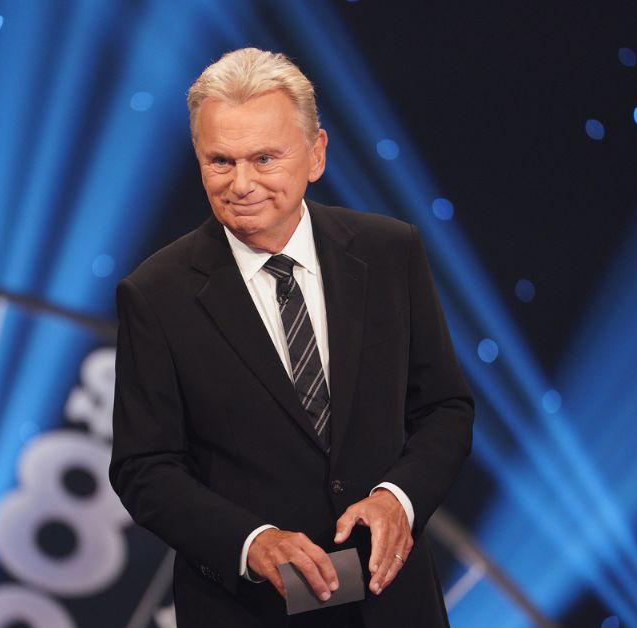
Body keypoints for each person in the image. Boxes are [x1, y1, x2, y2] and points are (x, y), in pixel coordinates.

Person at [109, 47, 474, 627]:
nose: (242, 184)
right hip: (250, 609)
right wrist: (251, 542)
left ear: (316, 154)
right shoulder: (156, 293)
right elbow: (144, 466)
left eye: (264, 158)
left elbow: (444, 409)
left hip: (392, 606)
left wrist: (397, 499)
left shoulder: (388, 253)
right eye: (220, 161)